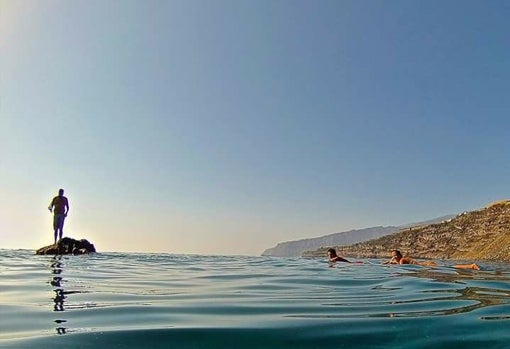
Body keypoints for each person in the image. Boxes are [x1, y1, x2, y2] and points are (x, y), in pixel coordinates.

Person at [383, 249, 480, 270]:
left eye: (395, 255)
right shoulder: (400, 260)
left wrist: (389, 263)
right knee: (450, 267)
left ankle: (471, 265)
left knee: (450, 267)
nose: (394, 257)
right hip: (427, 264)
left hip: (428, 265)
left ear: (399, 255)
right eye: (393, 256)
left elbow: (399, 265)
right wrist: (390, 262)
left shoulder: (402, 260)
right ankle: (470, 266)